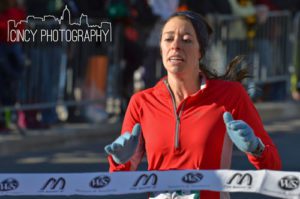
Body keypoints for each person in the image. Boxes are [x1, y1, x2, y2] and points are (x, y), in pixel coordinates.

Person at [104, 10, 281, 199]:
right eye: (168, 39)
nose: (176, 46)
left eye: (186, 40)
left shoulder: (230, 95)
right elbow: (119, 181)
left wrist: (256, 148)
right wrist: (118, 161)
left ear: (200, 51)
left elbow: (274, 168)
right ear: (161, 48)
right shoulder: (141, 102)